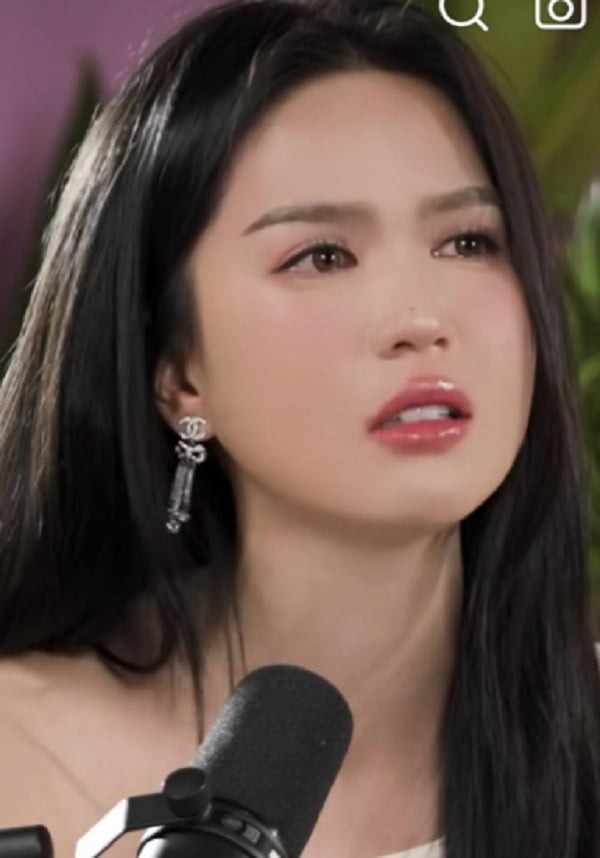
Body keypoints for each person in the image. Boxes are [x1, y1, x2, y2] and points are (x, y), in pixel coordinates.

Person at [0, 0, 599, 855]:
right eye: (321, 255)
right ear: (177, 369)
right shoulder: (18, 751)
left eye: (468, 242)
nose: (421, 319)